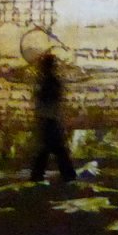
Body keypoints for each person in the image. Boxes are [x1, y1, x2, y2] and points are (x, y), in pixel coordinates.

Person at [29, 53, 77, 183]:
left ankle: (40, 174)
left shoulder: (47, 82)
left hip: (49, 119)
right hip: (51, 118)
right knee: (53, 148)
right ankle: (66, 174)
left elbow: (45, 101)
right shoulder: (51, 81)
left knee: (51, 148)